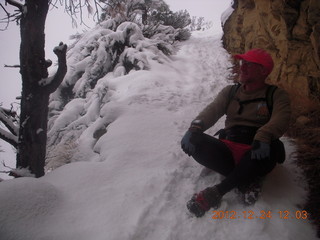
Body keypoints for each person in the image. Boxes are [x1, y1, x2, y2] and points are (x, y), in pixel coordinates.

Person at [181, 48, 291, 217]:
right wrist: (195, 127)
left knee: (273, 147)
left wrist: (264, 134)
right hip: (228, 148)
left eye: (248, 64)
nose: (242, 67)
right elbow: (212, 110)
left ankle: (217, 192)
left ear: (263, 71)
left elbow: (281, 118)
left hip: (257, 149)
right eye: (242, 63)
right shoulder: (230, 92)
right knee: (196, 141)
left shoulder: (276, 95)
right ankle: (246, 181)